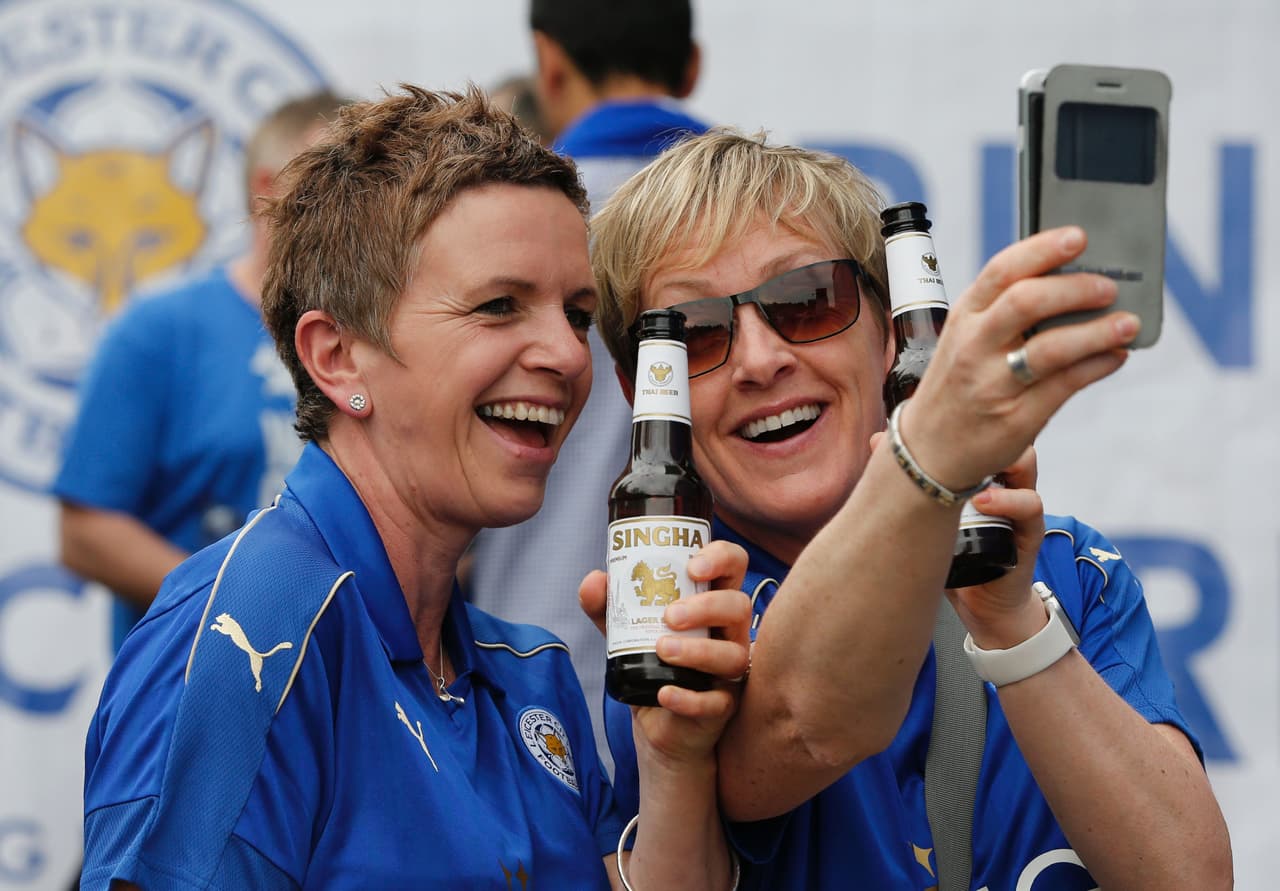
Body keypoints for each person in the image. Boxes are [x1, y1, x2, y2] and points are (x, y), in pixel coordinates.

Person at [79, 85, 750, 890]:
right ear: (336, 357)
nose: (570, 357)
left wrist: (674, 759)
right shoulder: (244, 639)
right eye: (499, 305)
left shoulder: (527, 672)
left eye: (577, 313)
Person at [585, 131, 1234, 889]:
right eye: (693, 337)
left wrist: (1008, 618)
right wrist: (928, 461)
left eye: (805, 300)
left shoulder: (1069, 570)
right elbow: (803, 723)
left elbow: (1190, 877)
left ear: (890, 329)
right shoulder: (681, 612)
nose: (761, 361)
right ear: (646, 395)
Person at [467, 0, 709, 771]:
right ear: (692, 67)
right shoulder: (759, 225)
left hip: (519, 684)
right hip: (707, 684)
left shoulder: (487, 226)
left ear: (549, 63)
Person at [52, 91, 346, 654]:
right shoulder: (159, 331)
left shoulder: (380, 341)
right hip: (189, 691)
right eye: (331, 181)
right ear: (267, 189)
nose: (355, 207)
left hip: (349, 696)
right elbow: (83, 531)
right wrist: (236, 603)